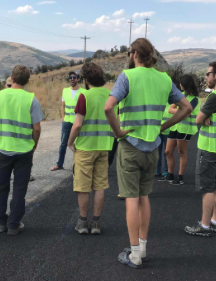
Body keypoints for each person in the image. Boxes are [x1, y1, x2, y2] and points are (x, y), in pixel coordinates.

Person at [104, 38, 191, 269]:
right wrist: (163, 126)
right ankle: (142, 247)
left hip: (130, 145)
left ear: (133, 54)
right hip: (153, 147)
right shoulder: (164, 79)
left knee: (131, 199)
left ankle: (133, 254)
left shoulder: (127, 76)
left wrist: (118, 132)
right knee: (144, 197)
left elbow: (108, 107)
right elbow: (187, 108)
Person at [0, 65, 43, 236]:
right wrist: (33, 145)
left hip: (3, 149)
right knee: (20, 188)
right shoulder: (31, 100)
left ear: (11, 77)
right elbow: (37, 128)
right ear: (28, 80)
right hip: (24, 151)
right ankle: (14, 224)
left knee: (1, 187)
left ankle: (0, 222)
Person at [184, 61, 216, 237]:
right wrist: (205, 117)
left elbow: (198, 119)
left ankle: (204, 226)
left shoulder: (215, 96)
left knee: (207, 188)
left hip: (210, 148)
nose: (206, 77)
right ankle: (215, 221)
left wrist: (204, 118)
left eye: (208, 74)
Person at [67, 62, 114, 235]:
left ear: (85, 79)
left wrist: (70, 142)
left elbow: (77, 125)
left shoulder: (84, 96)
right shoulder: (110, 95)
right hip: (104, 147)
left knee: (83, 186)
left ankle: (82, 223)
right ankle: (96, 224)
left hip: (85, 147)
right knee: (99, 185)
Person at [163, 74, 201, 185]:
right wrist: (182, 111)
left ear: (185, 85)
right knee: (168, 151)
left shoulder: (195, 99)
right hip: (175, 127)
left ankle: (180, 177)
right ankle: (170, 174)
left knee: (181, 152)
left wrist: (181, 111)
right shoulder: (181, 97)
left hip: (186, 129)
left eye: (181, 83)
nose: (179, 85)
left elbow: (186, 114)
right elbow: (171, 109)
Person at [51, 71, 85, 171]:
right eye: (70, 77)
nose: (72, 79)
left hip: (78, 122)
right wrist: (63, 118)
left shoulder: (83, 92)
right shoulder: (65, 91)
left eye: (74, 77)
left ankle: (79, 164)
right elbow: (63, 105)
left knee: (79, 144)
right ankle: (59, 164)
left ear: (78, 79)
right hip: (67, 122)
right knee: (63, 144)